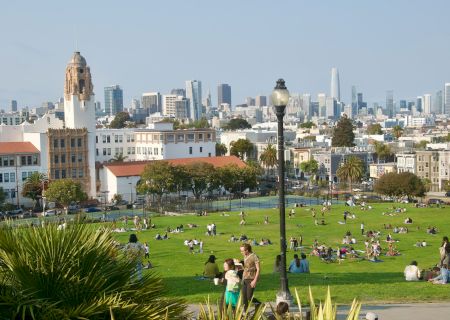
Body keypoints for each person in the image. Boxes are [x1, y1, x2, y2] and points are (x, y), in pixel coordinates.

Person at [240, 243, 260, 310]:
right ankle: (245, 312)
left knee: (249, 297)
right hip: (245, 278)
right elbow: (247, 267)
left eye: (242, 251)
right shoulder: (245, 256)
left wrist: (255, 280)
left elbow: (258, 269)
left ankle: (258, 303)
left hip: (251, 278)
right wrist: (239, 264)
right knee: (244, 297)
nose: (241, 252)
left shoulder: (254, 256)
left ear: (247, 250)